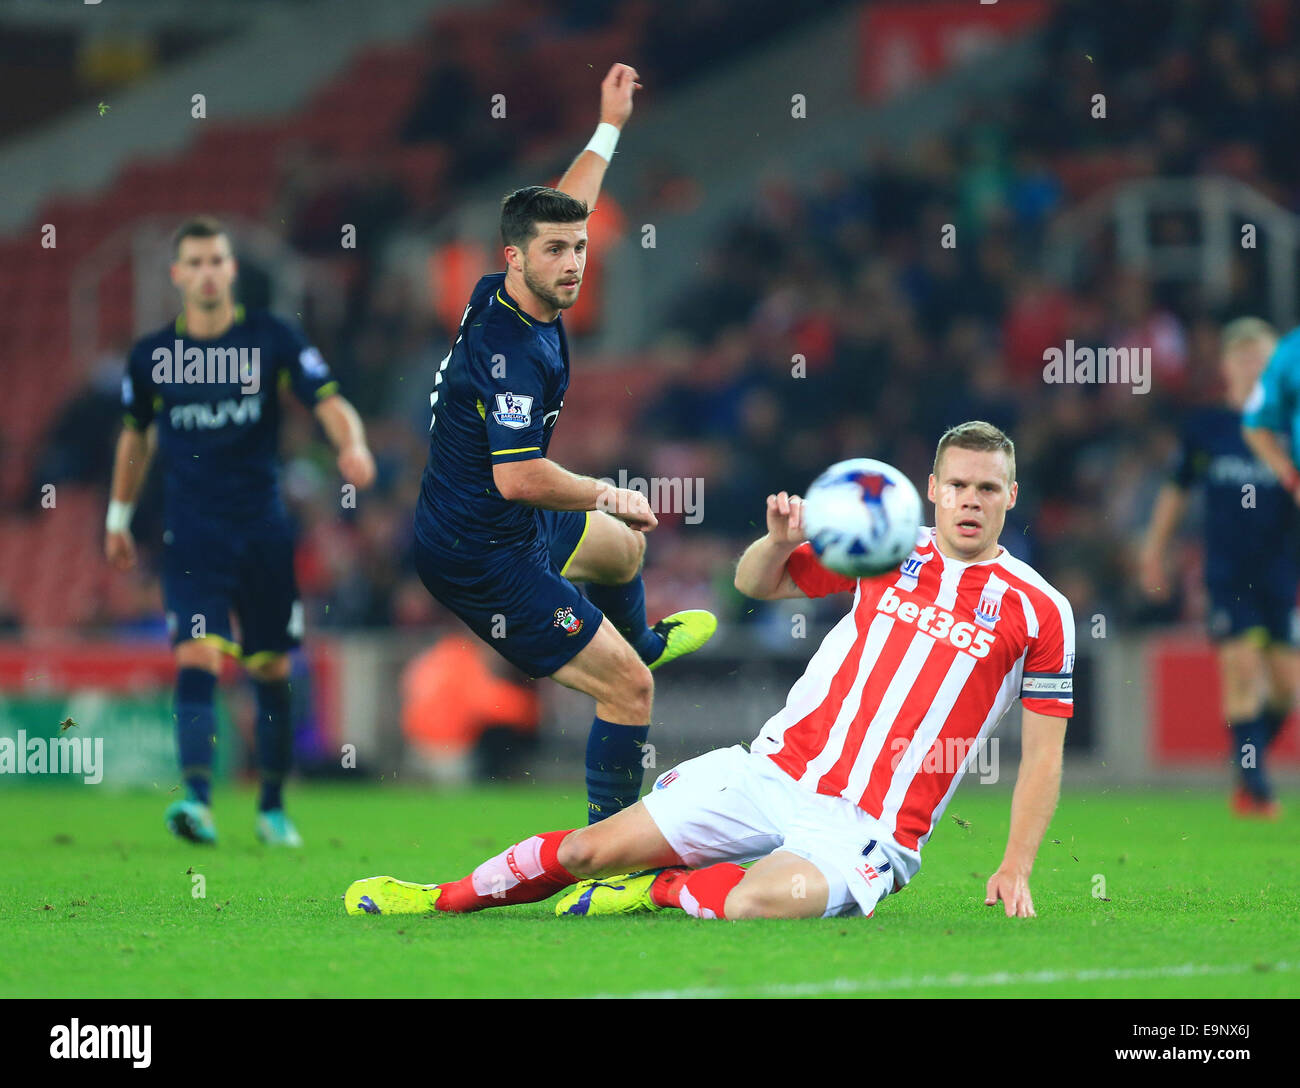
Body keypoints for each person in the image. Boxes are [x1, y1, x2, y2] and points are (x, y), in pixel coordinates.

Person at [346, 421, 1075, 921]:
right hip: (771, 774)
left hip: (871, 829)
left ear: (1011, 495)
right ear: (934, 488)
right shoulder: (882, 544)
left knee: (759, 903)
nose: (972, 501)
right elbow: (758, 584)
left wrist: (1015, 864)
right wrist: (776, 541)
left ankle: (661, 890)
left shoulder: (1040, 610)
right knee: (585, 849)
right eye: (959, 486)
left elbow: (1043, 757)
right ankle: (436, 899)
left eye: (988, 488)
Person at [411, 63, 715, 827]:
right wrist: (605, 490)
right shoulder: (509, 350)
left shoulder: (506, 284)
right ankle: (610, 852)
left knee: (621, 552)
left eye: (579, 246)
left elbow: (572, 200)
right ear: (516, 256)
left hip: (503, 522)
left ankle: (640, 639)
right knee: (628, 693)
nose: (574, 261)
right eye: (555, 251)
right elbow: (518, 479)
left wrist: (609, 124)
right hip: (479, 551)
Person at [106, 215, 375, 846]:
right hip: (192, 538)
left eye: (216, 261)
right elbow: (134, 439)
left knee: (270, 669)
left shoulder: (271, 338)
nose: (206, 272)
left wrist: (352, 445)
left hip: (262, 535)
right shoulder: (153, 357)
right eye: (194, 262)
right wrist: (118, 518)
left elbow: (328, 399)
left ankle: (273, 807)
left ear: (231, 270)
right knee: (197, 656)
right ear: (177, 275)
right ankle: (197, 802)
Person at [1143, 317, 1295, 818]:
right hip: (1228, 572)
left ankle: (1244, 762)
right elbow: (1176, 490)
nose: (1254, 366)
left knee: (1288, 688)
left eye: (1263, 357)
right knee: (1241, 666)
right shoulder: (1206, 427)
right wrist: (1153, 549)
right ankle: (1257, 790)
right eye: (1244, 356)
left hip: (1283, 574)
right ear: (1227, 365)